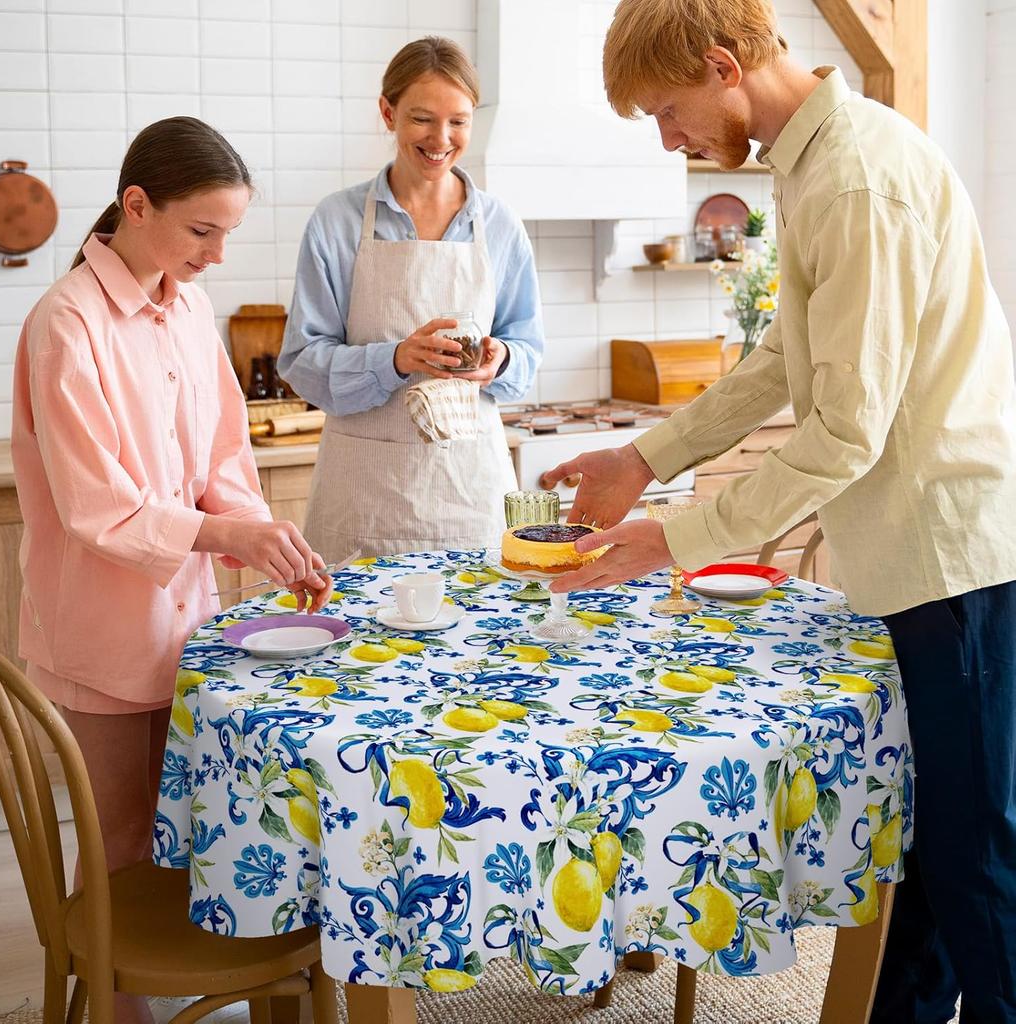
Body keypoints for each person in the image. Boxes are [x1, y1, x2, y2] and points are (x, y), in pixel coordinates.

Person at [542, 1, 1016, 1021]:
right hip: (911, 554)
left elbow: (845, 431)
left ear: (722, 64)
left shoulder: (852, 179)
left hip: (951, 556)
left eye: (668, 111)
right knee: (928, 841)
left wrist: (677, 534)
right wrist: (642, 455)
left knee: (976, 856)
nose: (668, 139)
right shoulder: (812, 163)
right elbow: (778, 364)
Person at [12, 117, 331, 1024]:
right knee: (116, 845)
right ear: (137, 205)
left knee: (180, 832)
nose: (217, 256)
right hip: (99, 635)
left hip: (188, 624)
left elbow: (225, 457)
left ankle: (192, 983)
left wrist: (264, 537)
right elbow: (97, 508)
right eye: (202, 232)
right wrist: (226, 534)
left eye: (227, 233)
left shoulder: (185, 308)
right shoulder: (66, 325)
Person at [279, 36, 543, 561]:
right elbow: (302, 362)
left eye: (459, 121)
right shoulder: (338, 221)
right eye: (422, 118)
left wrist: (500, 360)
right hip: (364, 502)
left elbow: (528, 353)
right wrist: (396, 359)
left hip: (468, 496)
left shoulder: (500, 225)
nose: (441, 138)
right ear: (388, 112)